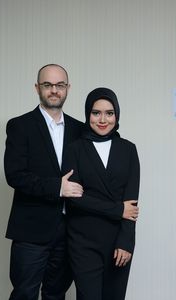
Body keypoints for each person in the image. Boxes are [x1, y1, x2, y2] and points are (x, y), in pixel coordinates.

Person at [4, 64, 84, 300]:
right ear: (37, 88)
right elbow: (15, 174)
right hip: (31, 232)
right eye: (48, 85)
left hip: (69, 231)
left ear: (68, 88)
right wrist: (57, 187)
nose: (54, 90)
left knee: (56, 294)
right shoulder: (20, 125)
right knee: (24, 294)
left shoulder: (80, 129)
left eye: (60, 85)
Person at [63, 87, 140, 300]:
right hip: (82, 241)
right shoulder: (74, 149)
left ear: (117, 114)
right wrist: (118, 209)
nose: (103, 119)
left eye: (109, 113)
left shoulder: (128, 149)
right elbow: (75, 200)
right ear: (88, 114)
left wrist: (126, 242)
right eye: (96, 113)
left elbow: (131, 204)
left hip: (118, 241)